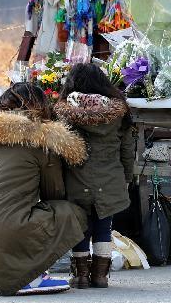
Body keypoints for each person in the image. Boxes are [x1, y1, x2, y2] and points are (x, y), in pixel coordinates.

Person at [0, 82, 88, 296]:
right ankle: (31, 277)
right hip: (0, 228)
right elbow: (53, 194)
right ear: (40, 107)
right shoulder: (41, 142)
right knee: (70, 213)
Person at [54, 63, 136, 290]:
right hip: (109, 179)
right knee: (103, 227)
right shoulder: (119, 114)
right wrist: (127, 178)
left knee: (80, 226)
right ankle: (100, 276)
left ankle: (80, 276)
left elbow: (58, 151)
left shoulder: (63, 113)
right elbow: (127, 151)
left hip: (75, 180)